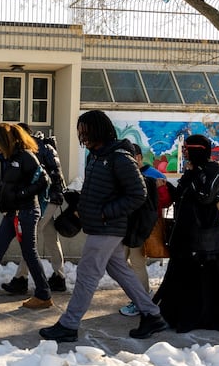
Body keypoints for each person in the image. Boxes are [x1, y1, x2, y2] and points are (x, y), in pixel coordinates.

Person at [39, 110, 166, 342]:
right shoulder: (97, 156)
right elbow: (102, 189)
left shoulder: (119, 157)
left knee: (87, 276)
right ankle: (152, 314)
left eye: (85, 130)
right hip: (99, 226)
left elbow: (138, 194)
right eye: (80, 131)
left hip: (108, 228)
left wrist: (106, 213)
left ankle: (69, 325)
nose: (81, 135)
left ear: (98, 130)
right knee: (119, 270)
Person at [153, 134, 219, 333]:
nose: (185, 154)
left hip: (205, 236)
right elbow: (183, 196)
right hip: (185, 233)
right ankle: (178, 315)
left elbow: (204, 196)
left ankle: (204, 318)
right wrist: (166, 186)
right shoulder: (193, 170)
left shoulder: (213, 169)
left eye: (187, 150)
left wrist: (193, 174)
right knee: (184, 277)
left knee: (204, 278)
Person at [0, 123, 52, 309]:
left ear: (5, 139)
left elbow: (44, 180)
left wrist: (20, 195)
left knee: (29, 252)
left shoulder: (25, 156)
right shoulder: (7, 157)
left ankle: (43, 295)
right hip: (12, 214)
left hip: (26, 213)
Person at [1, 123, 68, 294]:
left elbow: (52, 176)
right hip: (46, 199)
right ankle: (59, 276)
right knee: (51, 237)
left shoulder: (38, 149)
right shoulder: (40, 148)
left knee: (30, 238)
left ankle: (21, 279)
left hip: (46, 200)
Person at [119, 143, 173, 317]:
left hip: (142, 227)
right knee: (119, 262)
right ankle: (141, 295)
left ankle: (141, 299)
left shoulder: (154, 175)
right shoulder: (126, 174)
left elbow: (165, 201)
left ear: (139, 157)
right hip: (126, 227)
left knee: (137, 263)